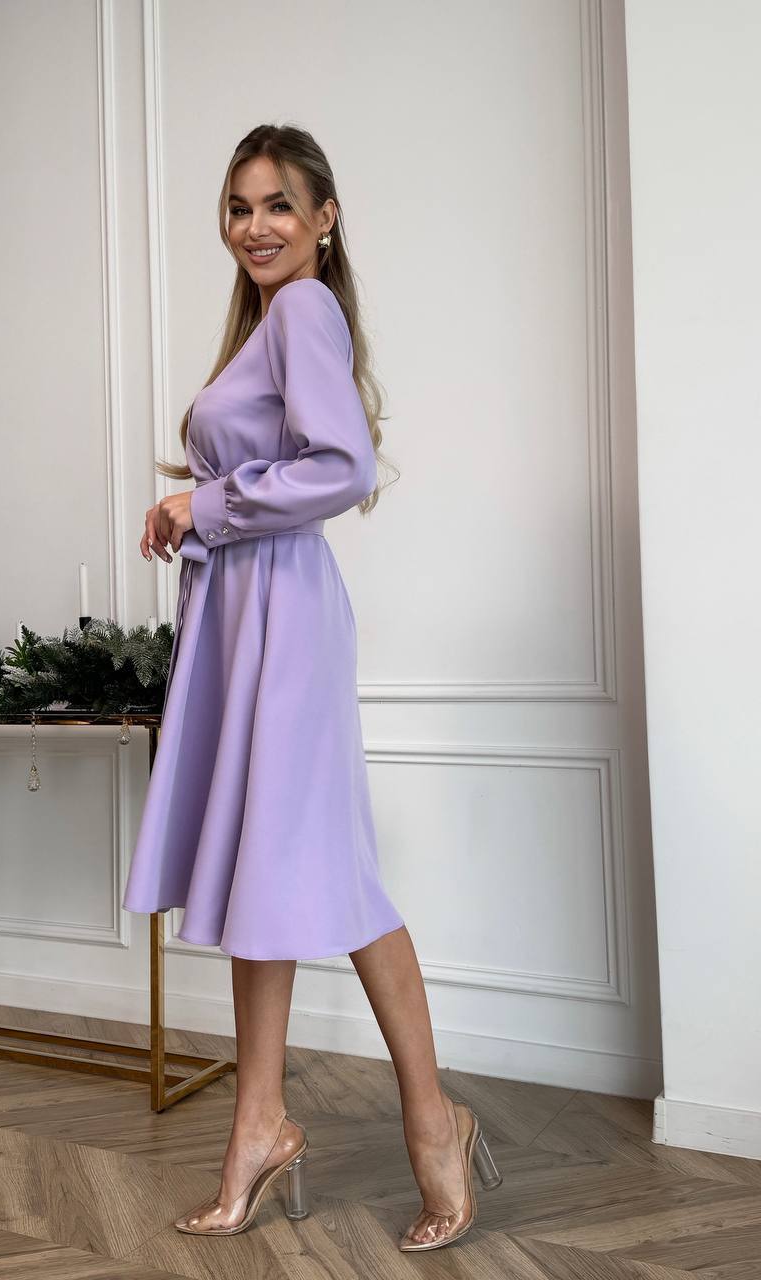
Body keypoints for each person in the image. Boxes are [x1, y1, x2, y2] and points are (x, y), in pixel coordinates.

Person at [122, 123, 503, 1251]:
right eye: (239, 207)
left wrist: (211, 504)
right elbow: (274, 468)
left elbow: (336, 468)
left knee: (321, 865)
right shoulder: (267, 326)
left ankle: (433, 1121)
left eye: (279, 204)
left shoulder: (304, 309)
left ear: (325, 215)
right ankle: (259, 1125)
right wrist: (187, 507)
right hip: (247, 609)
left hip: (281, 616)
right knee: (264, 870)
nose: (257, 227)